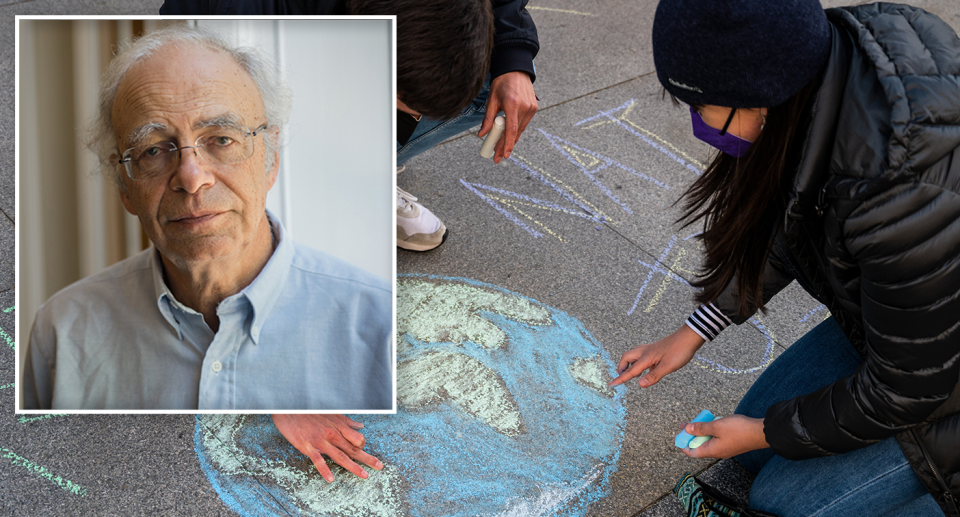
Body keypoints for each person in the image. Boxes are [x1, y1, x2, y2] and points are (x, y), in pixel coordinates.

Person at [610, 1, 960, 515]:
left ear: (762, 98)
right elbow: (796, 221)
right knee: (756, 446)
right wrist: (695, 331)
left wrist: (760, 433)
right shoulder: (822, 66)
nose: (696, 122)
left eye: (700, 105)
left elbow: (909, 388)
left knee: (781, 499)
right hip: (918, 328)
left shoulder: (899, 193)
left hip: (936, 377)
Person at [22, 26, 392, 479]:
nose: (192, 177)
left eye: (221, 138)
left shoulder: (382, 324)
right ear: (125, 189)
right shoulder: (61, 331)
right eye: (153, 150)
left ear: (270, 158)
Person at [158, 0, 541, 252]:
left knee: (496, 85)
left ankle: (361, 174)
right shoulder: (232, 21)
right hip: (261, 79)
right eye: (398, 106)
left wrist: (514, 59)